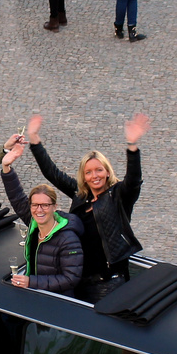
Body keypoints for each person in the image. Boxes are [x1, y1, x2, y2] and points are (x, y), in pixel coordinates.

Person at [25, 113, 147, 299]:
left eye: (99, 170)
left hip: (108, 282)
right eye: (88, 172)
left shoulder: (118, 196)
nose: (94, 176)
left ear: (107, 171)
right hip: (78, 277)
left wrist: (132, 146)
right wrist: (34, 139)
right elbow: (52, 173)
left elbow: (134, 181)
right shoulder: (80, 194)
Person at [0, 143, 85, 296]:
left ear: (54, 206)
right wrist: (6, 168)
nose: (39, 210)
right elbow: (17, 198)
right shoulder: (35, 223)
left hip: (57, 302)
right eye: (35, 205)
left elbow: (71, 278)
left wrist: (31, 282)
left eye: (45, 205)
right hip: (36, 294)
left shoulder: (68, 239)